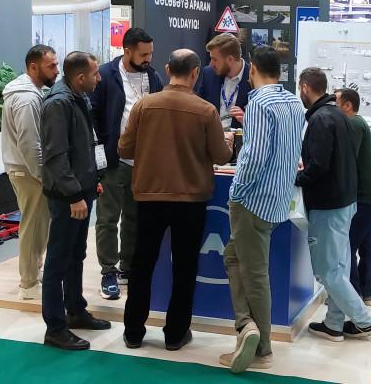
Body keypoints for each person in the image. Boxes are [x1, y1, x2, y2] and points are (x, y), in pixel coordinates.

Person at [120, 50, 234, 351]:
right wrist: (228, 143)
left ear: (168, 68)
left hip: (149, 197)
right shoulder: (206, 110)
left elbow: (124, 149)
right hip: (191, 200)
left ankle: (133, 332)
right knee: (184, 267)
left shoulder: (144, 105)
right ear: (195, 73)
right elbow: (221, 156)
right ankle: (175, 334)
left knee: (142, 264)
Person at [219, 46, 304, 374]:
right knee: (234, 257)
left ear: (252, 69)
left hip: (252, 200)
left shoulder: (259, 103)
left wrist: (237, 191)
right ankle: (247, 327)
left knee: (255, 272)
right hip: (277, 200)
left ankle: (261, 346)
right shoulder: (293, 102)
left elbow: (254, 155)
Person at [297, 70, 371, 343]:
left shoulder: (320, 119)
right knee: (339, 267)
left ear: (305, 88)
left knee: (327, 271)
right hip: (344, 201)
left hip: (328, 204)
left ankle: (364, 321)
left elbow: (319, 166)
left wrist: (297, 178)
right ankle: (334, 324)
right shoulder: (339, 116)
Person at [40, 52, 111, 350]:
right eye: (95, 74)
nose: (100, 78)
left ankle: (75, 310)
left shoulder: (78, 97)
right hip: (67, 197)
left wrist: (93, 180)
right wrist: (73, 195)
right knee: (57, 261)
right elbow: (56, 156)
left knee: (75, 255)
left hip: (82, 191)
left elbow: (84, 145)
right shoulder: (58, 104)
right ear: (80, 78)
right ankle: (55, 328)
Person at [89, 28, 164, 300]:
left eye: (150, 53)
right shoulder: (106, 75)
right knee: (108, 218)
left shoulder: (153, 77)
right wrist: (101, 149)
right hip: (114, 160)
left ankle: (128, 266)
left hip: (144, 161)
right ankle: (108, 271)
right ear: (127, 50)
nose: (148, 59)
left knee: (134, 218)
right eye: (143, 54)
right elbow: (93, 115)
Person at [1, 45, 59, 300]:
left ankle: (33, 273)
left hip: (25, 169)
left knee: (37, 226)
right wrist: (43, 175)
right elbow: (29, 143)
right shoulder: (27, 99)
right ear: (33, 67)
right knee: (34, 227)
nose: (56, 70)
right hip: (28, 171)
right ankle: (28, 284)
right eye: (51, 66)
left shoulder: (31, 93)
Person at [335, 88, 371, 307]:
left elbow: (347, 160)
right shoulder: (358, 123)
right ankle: (366, 293)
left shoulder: (353, 125)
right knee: (366, 244)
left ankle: (354, 297)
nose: (333, 107)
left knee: (347, 246)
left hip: (367, 198)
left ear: (347, 105)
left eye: (336, 102)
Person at [196, 33, 251, 130]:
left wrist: (246, 120)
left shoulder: (253, 78)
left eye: (215, 60)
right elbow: (198, 107)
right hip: (212, 136)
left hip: (240, 137)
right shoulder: (208, 73)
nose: (211, 64)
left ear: (230, 59)